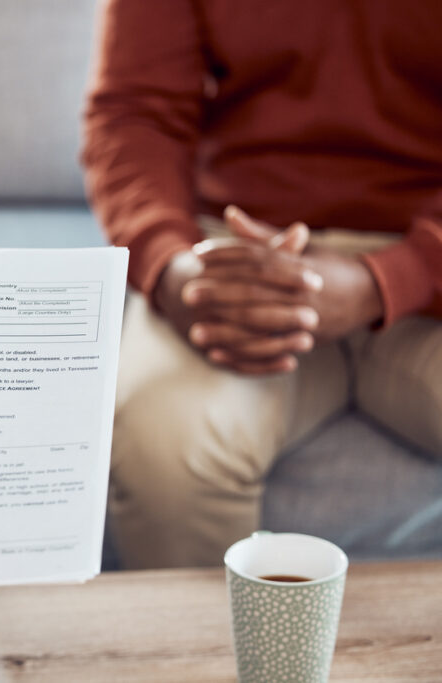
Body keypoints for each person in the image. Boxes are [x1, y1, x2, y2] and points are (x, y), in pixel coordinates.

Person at [82, 0, 442, 569]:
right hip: (234, 249)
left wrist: (396, 277)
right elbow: (135, 113)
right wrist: (175, 270)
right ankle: (200, 634)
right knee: (164, 442)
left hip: (426, 252)